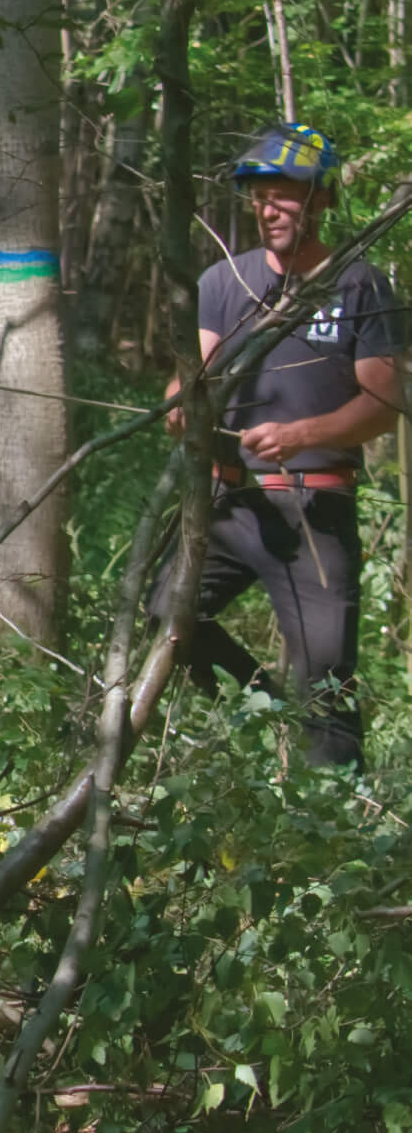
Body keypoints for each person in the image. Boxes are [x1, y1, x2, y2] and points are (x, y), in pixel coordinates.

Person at [158, 122, 404, 768]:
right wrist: (184, 405)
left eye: (286, 193)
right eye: (259, 195)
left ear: (321, 197)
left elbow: (383, 402)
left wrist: (302, 435)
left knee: (327, 686)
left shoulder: (359, 285)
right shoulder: (223, 281)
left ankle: (338, 820)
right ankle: (269, 708)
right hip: (230, 507)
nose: (269, 208)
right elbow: (192, 375)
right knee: (169, 622)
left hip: (313, 514)